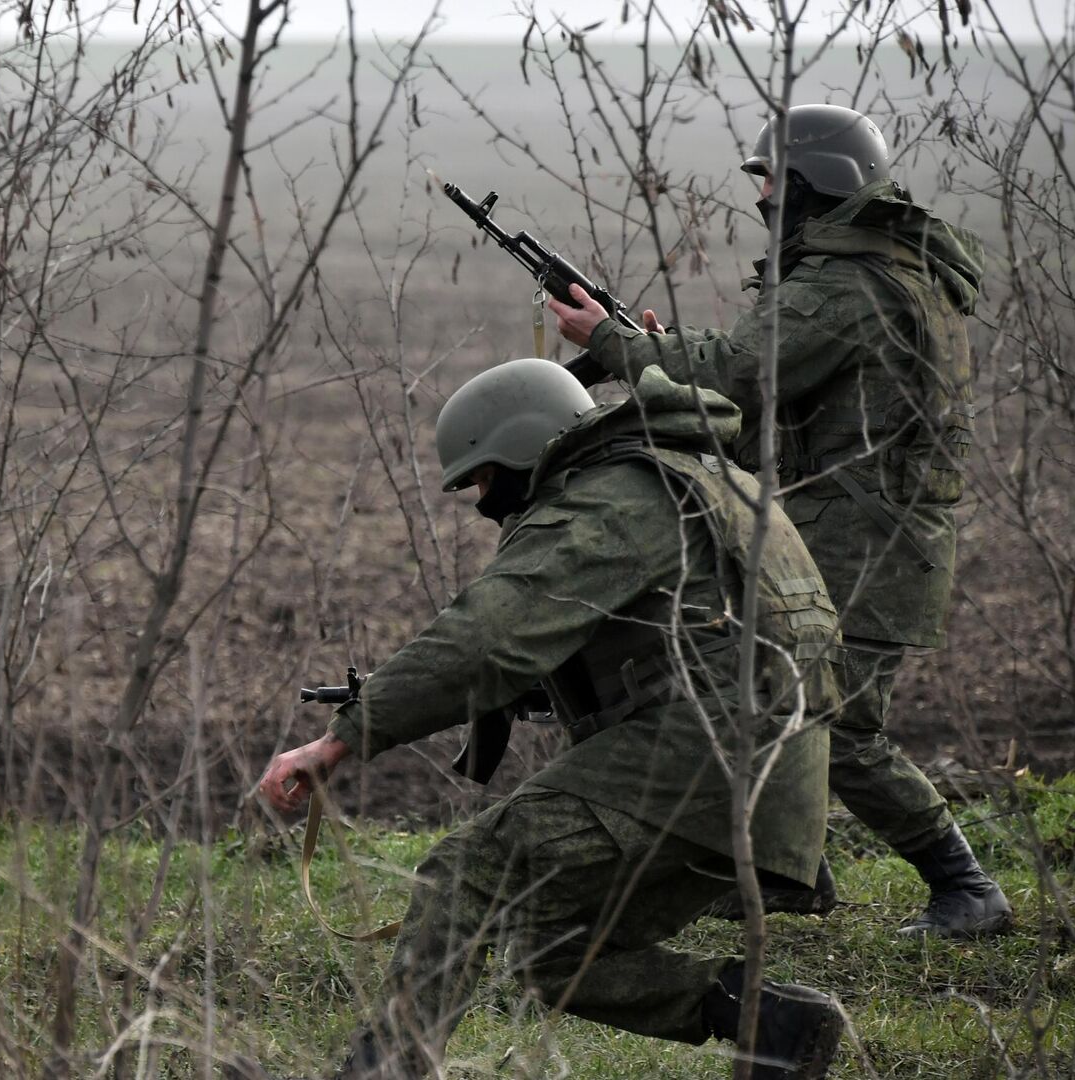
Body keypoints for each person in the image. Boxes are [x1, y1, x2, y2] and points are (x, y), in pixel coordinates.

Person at [259, 358, 846, 1079]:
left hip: (708, 755)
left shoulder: (613, 501)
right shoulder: (695, 480)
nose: (483, 501)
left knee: (468, 868)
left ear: (520, 448)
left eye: (481, 479)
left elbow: (486, 640)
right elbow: (679, 644)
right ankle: (773, 1024)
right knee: (550, 944)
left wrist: (342, 739)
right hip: (774, 773)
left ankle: (386, 1069)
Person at [547, 103, 1012, 939]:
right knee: (769, 696)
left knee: (840, 726)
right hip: (853, 531)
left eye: (770, 180)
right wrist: (657, 351)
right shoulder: (880, 268)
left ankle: (966, 887)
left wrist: (617, 346)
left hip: (867, 540)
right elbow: (773, 402)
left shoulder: (848, 283)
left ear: (810, 184)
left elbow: (737, 373)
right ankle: (793, 874)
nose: (762, 197)